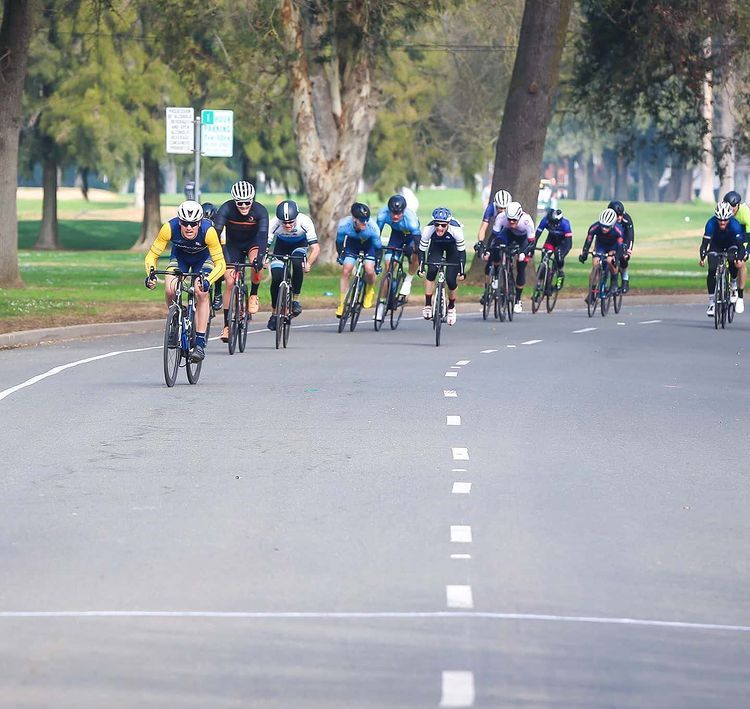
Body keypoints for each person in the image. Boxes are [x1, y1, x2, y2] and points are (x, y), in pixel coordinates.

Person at [144, 201, 226, 362]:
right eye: (185, 223)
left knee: (200, 291)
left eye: (193, 224)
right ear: (179, 221)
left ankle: (200, 344)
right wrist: (151, 275)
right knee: (170, 288)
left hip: (203, 260)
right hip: (179, 257)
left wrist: (209, 280)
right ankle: (175, 319)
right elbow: (151, 256)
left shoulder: (208, 231)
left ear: (199, 222)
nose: (189, 227)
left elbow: (221, 264)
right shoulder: (169, 228)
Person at [212, 181, 269, 342]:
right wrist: (215, 253)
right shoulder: (226, 208)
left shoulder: (260, 211)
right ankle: (226, 325)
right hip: (233, 246)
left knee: (257, 264)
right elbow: (216, 232)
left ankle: (253, 294)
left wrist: (261, 257)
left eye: (247, 202)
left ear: (252, 200)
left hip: (253, 244)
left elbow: (263, 236)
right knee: (229, 281)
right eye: (240, 203)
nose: (243, 206)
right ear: (234, 201)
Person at [266, 200, 320, 330]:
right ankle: (274, 313)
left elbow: (316, 248)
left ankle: (295, 299)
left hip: (299, 245)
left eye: (291, 222)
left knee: (297, 262)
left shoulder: (305, 221)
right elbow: (264, 246)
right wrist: (264, 259)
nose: (288, 225)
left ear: (296, 217)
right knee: (276, 277)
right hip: (281, 246)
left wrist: (309, 263)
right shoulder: (273, 223)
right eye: (284, 222)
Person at [418, 207, 466, 326]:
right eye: (437, 224)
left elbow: (462, 253)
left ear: (448, 224)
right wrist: (421, 267)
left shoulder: (456, 230)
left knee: (450, 279)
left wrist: (462, 270)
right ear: (433, 223)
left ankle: (451, 307)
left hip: (453, 248)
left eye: (443, 225)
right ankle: (428, 305)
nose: (439, 228)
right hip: (436, 247)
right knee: (432, 271)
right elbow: (421, 250)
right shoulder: (428, 229)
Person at [486, 200, 536, 312]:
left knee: (521, 266)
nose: (512, 222)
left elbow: (532, 242)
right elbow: (493, 237)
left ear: (519, 216)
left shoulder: (527, 221)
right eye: (509, 219)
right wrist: (489, 251)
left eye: (514, 220)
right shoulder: (501, 217)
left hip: (523, 240)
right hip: (508, 234)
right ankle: (497, 275)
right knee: (496, 247)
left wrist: (524, 252)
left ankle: (518, 300)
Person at [335, 202, 383, 317]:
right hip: (352, 245)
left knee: (369, 270)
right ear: (354, 219)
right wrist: (341, 255)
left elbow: (378, 248)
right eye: (362, 220)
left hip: (369, 246)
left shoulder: (373, 228)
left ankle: (369, 289)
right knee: (346, 270)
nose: (365, 223)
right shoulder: (343, 225)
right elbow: (339, 242)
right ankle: (342, 303)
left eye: (367, 220)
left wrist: (377, 263)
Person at [699, 201, 745, 316]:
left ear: (730, 218)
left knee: (733, 259)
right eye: (720, 220)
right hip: (716, 245)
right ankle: (711, 303)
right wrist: (703, 257)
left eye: (725, 220)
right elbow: (704, 244)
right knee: (712, 270)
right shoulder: (711, 223)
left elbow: (740, 247)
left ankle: (733, 284)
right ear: (716, 218)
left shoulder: (735, 225)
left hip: (732, 244)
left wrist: (739, 258)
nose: (722, 222)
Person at [376, 194, 421, 297]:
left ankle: (408, 281)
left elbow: (418, 243)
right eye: (393, 213)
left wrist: (413, 249)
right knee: (388, 268)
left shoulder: (411, 220)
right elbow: (376, 234)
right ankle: (381, 305)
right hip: (396, 236)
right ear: (389, 210)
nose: (395, 216)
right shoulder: (382, 214)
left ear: (403, 211)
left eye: (398, 213)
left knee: (415, 255)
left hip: (411, 237)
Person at [579, 207, 623, 302]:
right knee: (595, 264)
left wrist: (616, 257)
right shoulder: (594, 227)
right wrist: (584, 254)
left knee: (609, 260)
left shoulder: (618, 230)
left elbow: (620, 247)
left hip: (613, 246)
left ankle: (614, 282)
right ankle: (592, 292)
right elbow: (588, 241)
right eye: (602, 226)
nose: (604, 228)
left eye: (607, 227)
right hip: (601, 245)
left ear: (612, 225)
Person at [476, 189, 512, 303]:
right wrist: (481, 243)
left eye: (504, 208)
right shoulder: (491, 208)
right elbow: (483, 228)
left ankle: (508, 285)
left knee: (510, 259)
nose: (502, 211)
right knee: (489, 260)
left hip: (508, 232)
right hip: (496, 232)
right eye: (499, 208)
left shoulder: (513, 209)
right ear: (495, 205)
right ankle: (487, 291)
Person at [722, 190, 749, 304]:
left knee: (740, 263)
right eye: (729, 205)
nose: (732, 208)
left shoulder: (745, 213)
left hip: (744, 237)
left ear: (738, 205)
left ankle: (740, 295)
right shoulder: (723, 210)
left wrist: (746, 251)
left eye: (734, 206)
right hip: (729, 236)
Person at [535, 207, 572, 289]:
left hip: (563, 242)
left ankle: (560, 273)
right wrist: (532, 246)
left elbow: (568, 242)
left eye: (553, 223)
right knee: (544, 258)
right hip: (551, 240)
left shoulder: (565, 224)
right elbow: (537, 235)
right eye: (550, 222)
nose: (551, 224)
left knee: (558, 257)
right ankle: (541, 280)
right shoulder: (545, 220)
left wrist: (561, 254)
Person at [608, 200, 635, 293]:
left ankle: (625, 280)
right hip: (613, 239)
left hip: (624, 239)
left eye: (621, 215)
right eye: (617, 215)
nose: (619, 218)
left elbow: (630, 236)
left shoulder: (627, 219)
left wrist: (628, 251)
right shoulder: (607, 219)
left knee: (623, 258)